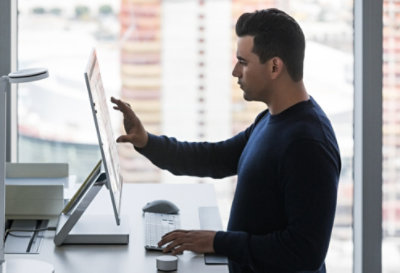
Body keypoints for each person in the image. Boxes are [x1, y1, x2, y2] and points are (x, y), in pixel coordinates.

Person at [111, 8, 341, 273]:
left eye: (243, 62)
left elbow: (304, 252)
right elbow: (214, 158)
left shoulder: (308, 145)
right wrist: (146, 142)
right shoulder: (270, 119)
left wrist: (216, 241)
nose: (235, 72)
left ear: (275, 66)